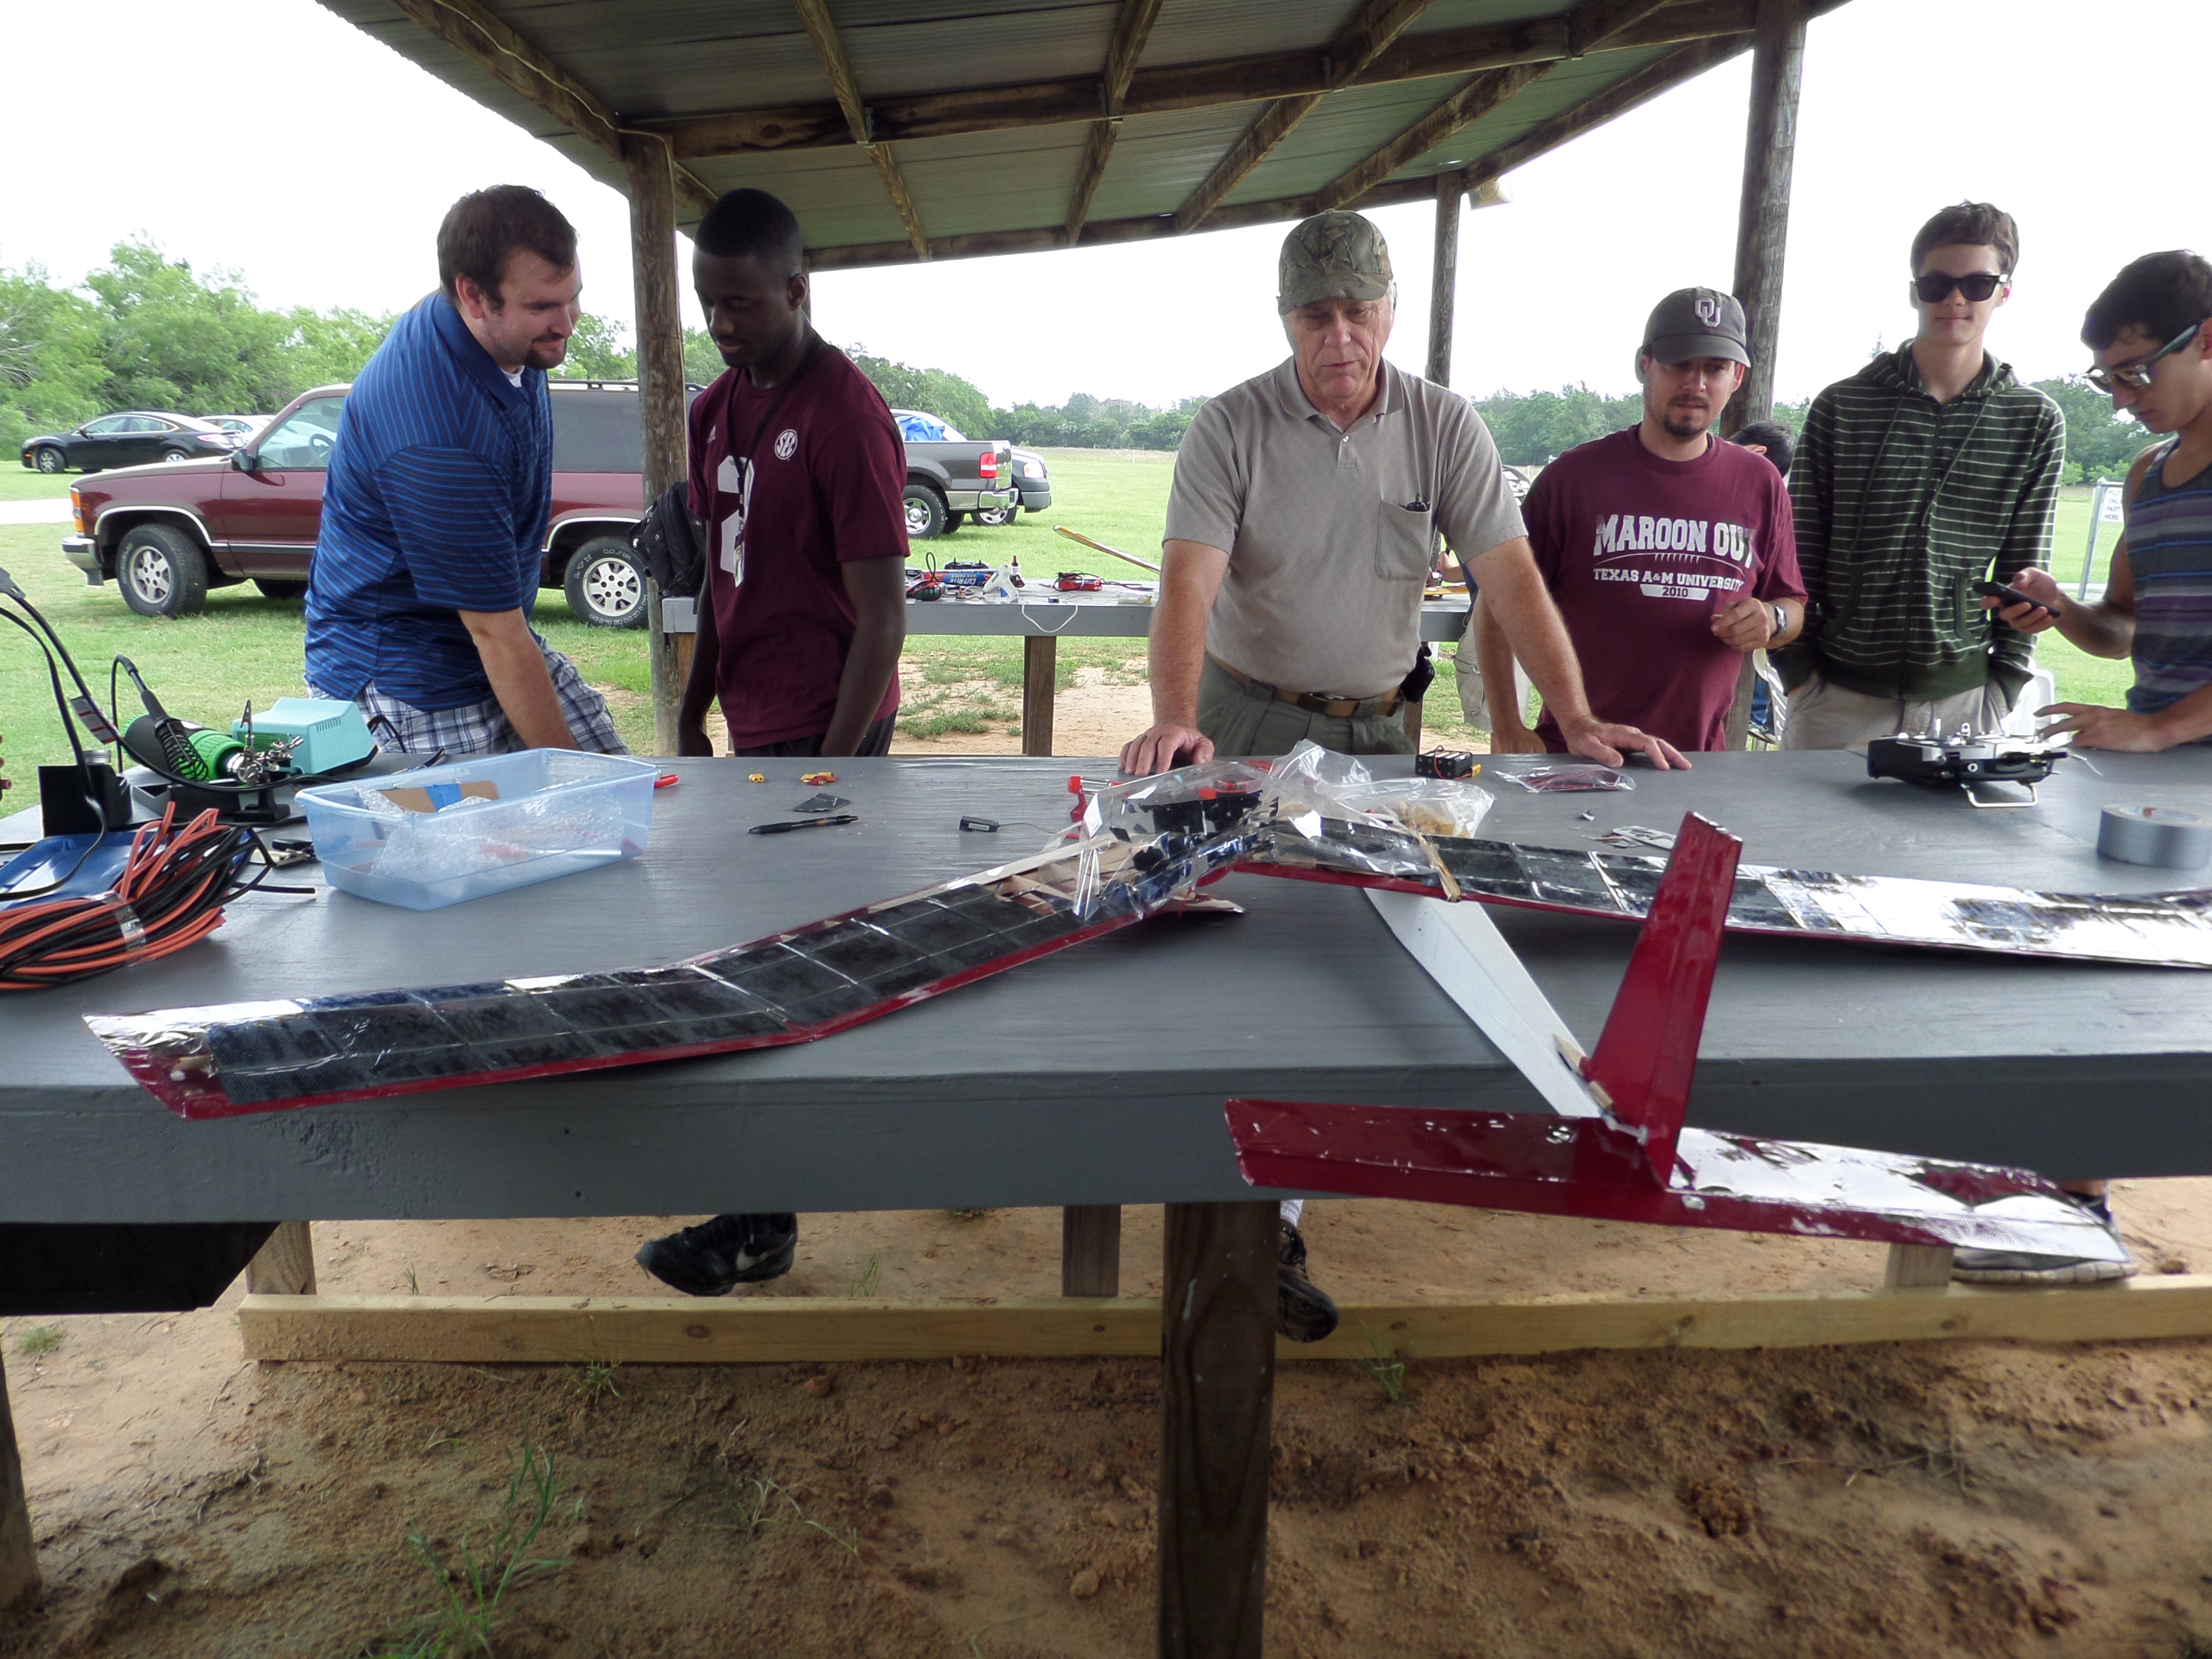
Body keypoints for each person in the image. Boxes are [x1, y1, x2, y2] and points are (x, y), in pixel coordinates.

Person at [1118, 209, 1685, 1344]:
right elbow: (1187, 583)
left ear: (1391, 310)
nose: (1340, 337)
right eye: (1315, 316)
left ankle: (1294, 1191)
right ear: (1285, 321)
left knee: (1371, 960)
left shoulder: (1444, 424)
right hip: (1246, 715)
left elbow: (1510, 577)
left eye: (1359, 312)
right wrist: (1177, 724)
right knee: (1246, 955)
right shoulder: (1230, 426)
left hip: (1384, 733)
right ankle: (1237, 1198)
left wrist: (1572, 715)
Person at [635, 186, 910, 1300]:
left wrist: (830, 773)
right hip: (751, 716)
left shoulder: (848, 418)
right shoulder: (715, 412)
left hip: (830, 724)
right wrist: (693, 705)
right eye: (710, 305)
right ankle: (771, 1207)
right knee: (755, 953)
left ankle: (762, 1217)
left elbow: (884, 620)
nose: (724, 325)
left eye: (743, 303)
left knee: (791, 964)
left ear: (798, 290)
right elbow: (717, 589)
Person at [1948, 251, 2212, 1285]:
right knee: (2095, 970)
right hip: (2158, 771)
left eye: (2138, 374)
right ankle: (2073, 1201)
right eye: (2110, 380)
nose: (2126, 399)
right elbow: (2122, 633)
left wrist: (2154, 730)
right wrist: (2061, 608)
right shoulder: (2150, 478)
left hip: (2173, 759)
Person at [305, 186, 624, 755]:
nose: (568, 323)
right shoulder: (436, 430)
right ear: (473, 297)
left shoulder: (507, 337)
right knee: (540, 825)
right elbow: (495, 637)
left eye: (573, 297)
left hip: (488, 632)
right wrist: (571, 783)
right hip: (410, 675)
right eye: (541, 308)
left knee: (621, 792)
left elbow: (500, 632)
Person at [1777, 202, 2065, 749]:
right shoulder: (1843, 405)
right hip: (1835, 700)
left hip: (1964, 705)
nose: (1955, 299)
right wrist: (1798, 676)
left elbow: (2027, 568)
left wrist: (2004, 685)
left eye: (1978, 283)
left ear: (2005, 292)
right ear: (1915, 291)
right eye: (1937, 283)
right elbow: (1799, 553)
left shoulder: (2034, 419)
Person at [1474, 288, 1804, 755]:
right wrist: (1507, 726)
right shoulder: (1573, 479)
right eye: (1679, 364)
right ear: (1645, 364)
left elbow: (1793, 606)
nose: (1697, 383)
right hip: (1579, 754)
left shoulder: (1761, 484)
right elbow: (1497, 604)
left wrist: (1771, 618)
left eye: (1714, 368)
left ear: (1738, 377)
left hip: (1700, 762)